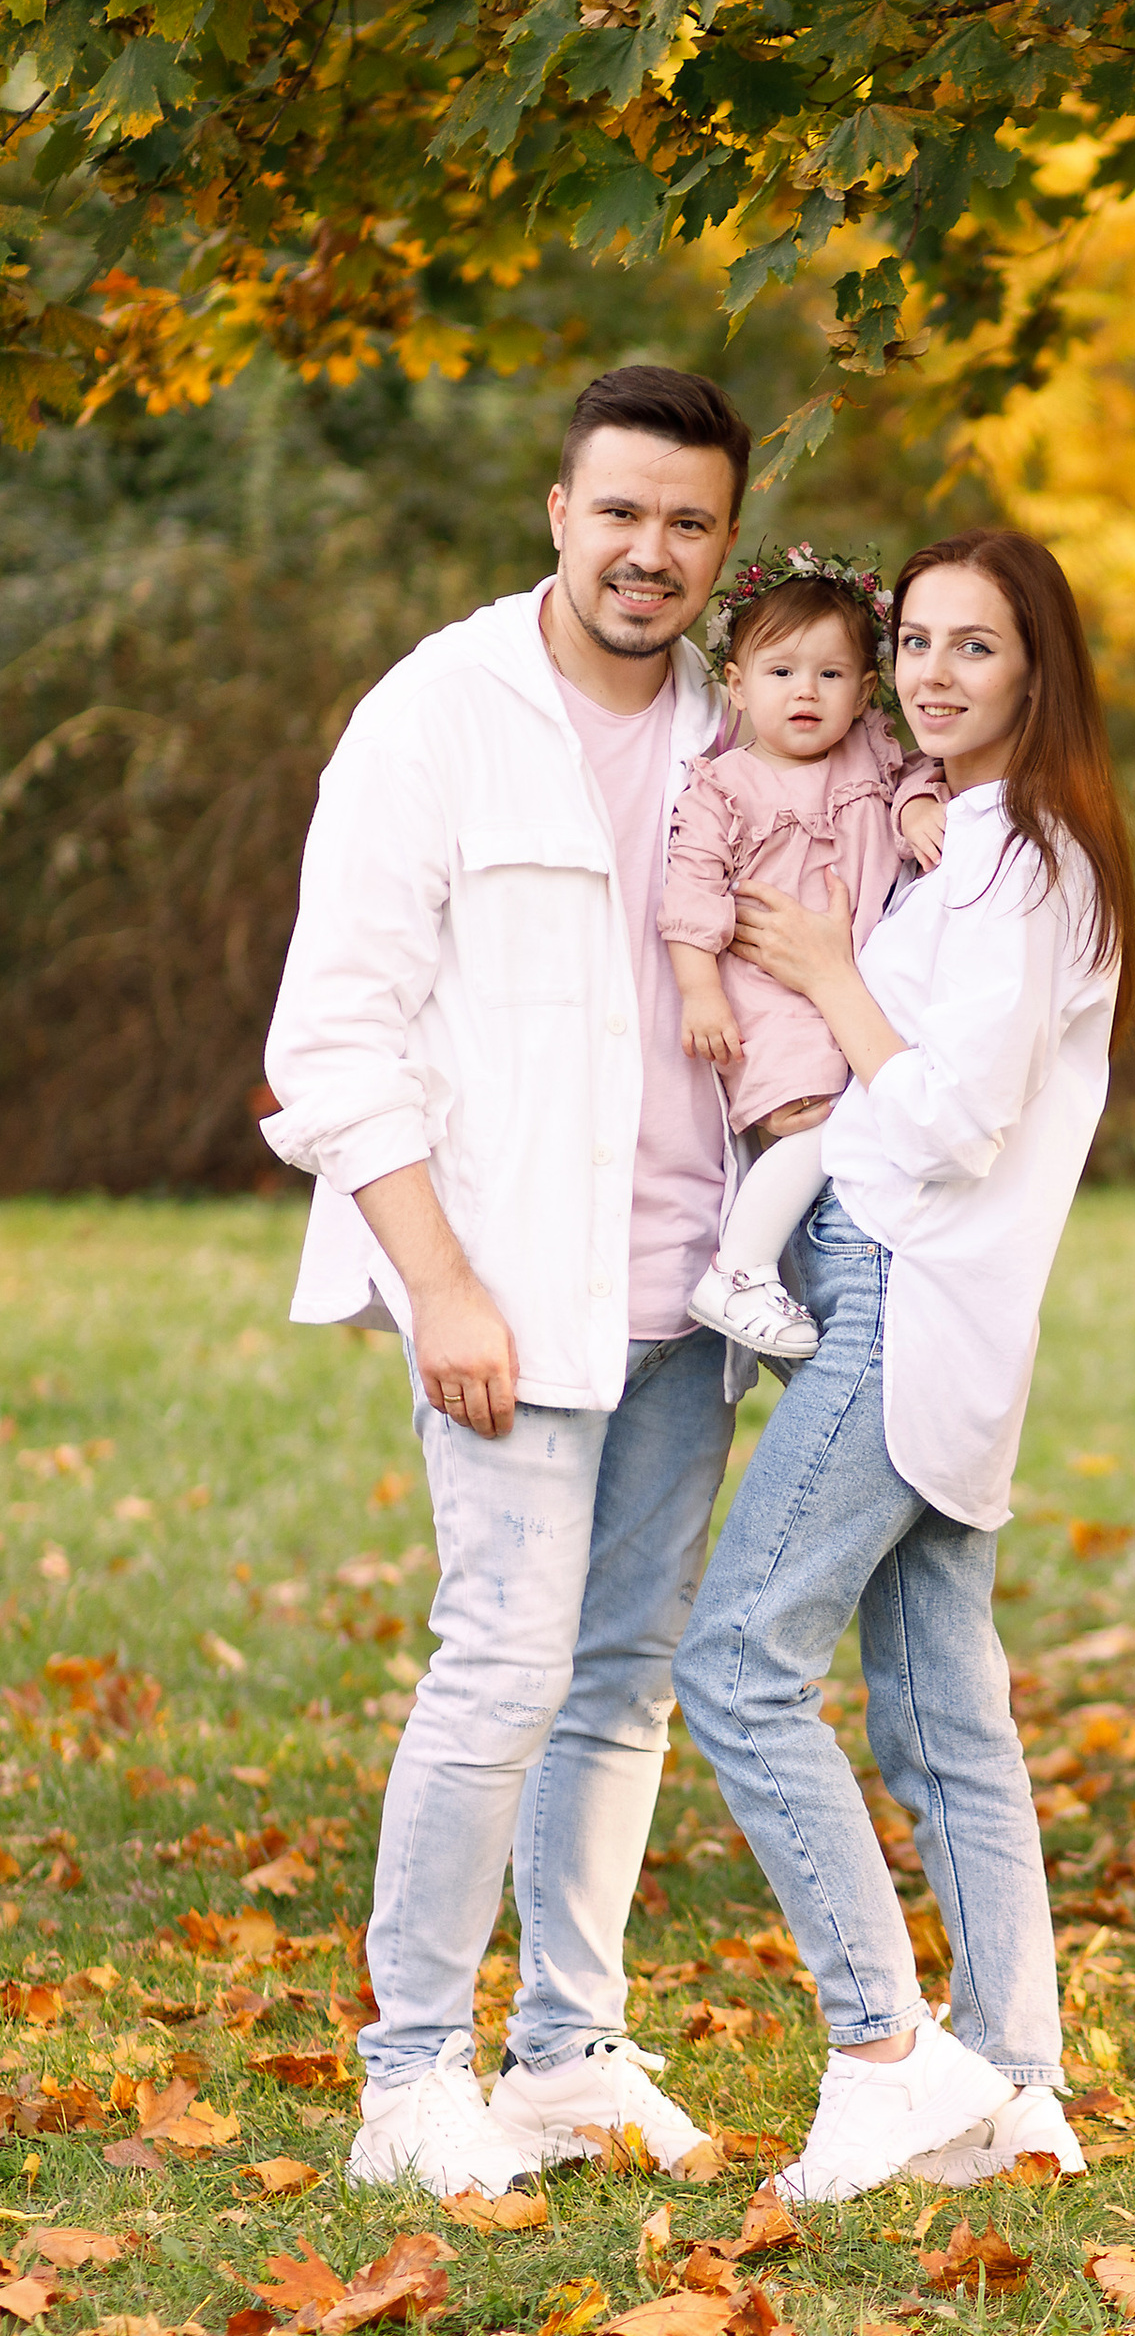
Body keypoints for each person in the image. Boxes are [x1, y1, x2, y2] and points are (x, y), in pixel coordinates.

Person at [261, 364, 759, 2195]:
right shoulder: (440, 714)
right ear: (559, 511)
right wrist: (439, 1283)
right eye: (619, 510)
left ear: (720, 544)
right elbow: (333, 1040)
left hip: (685, 1298)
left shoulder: (739, 725)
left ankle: (567, 2050)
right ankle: (412, 2082)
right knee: (501, 1670)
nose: (650, 549)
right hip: (505, 1291)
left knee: (624, 1679)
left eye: (688, 521)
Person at [672, 528, 1135, 2199]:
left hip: (903, 1293)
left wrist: (822, 975)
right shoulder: (977, 843)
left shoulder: (1031, 869)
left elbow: (946, 1117)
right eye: (920, 643)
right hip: (933, 1301)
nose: (936, 675)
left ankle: (885, 2054)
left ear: (1040, 673)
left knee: (734, 1660)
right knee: (948, 1717)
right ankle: (1014, 2084)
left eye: (977, 650)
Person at [665, 548, 946, 1361]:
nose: (805, 692)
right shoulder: (724, 787)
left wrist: (922, 806)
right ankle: (740, 1267)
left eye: (830, 676)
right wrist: (699, 994)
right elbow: (690, 897)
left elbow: (918, 774)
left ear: (863, 693)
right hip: (767, 997)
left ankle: (778, 1268)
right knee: (818, 1124)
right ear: (736, 686)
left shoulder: (869, 755)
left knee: (859, 1120)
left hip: (850, 989)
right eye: (782, 671)